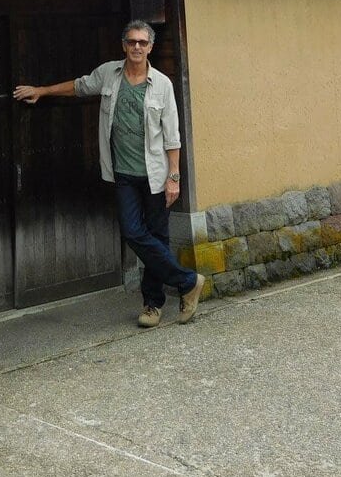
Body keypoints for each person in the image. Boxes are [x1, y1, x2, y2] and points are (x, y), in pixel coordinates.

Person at [13, 19, 205, 328]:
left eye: (143, 42)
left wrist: (174, 177)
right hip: (123, 174)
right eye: (132, 42)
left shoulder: (163, 85)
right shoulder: (109, 75)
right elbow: (79, 85)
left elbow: (173, 137)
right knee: (133, 232)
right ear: (124, 45)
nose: (137, 47)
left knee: (157, 238)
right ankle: (188, 282)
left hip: (156, 176)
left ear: (150, 47)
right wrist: (43, 91)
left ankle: (153, 305)